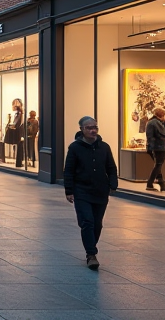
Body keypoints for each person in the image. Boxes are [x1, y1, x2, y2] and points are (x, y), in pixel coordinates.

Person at [63, 116, 117, 270]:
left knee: (97, 224)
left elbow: (111, 168)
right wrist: (69, 190)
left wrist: (113, 183)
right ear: (82, 130)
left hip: (100, 191)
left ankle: (91, 247)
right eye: (89, 128)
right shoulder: (75, 148)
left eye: (95, 127)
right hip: (82, 191)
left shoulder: (104, 147)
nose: (93, 130)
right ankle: (91, 254)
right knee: (87, 221)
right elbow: (69, 170)